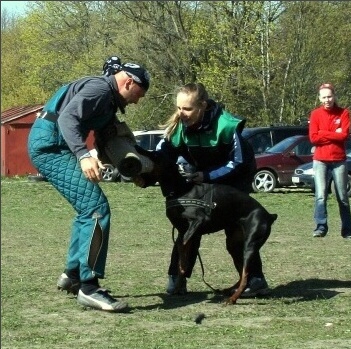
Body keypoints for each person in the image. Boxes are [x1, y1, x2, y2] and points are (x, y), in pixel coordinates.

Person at [27, 57, 151, 312]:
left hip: (54, 146)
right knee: (96, 209)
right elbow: (67, 119)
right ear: (128, 82)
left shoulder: (107, 99)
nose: (137, 101)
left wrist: (133, 170)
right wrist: (83, 156)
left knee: (87, 209)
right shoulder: (100, 90)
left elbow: (110, 143)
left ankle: (73, 274)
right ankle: (90, 287)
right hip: (51, 147)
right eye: (138, 94)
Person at [156, 82, 270, 297]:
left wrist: (207, 176)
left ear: (203, 106)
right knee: (190, 224)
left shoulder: (226, 125)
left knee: (237, 232)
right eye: (179, 108)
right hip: (203, 178)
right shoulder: (180, 125)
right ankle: (177, 278)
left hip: (235, 179)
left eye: (187, 109)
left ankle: (255, 281)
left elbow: (237, 162)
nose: (182, 114)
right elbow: (163, 152)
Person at [308, 83, 351, 239]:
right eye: (324, 97)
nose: (327, 100)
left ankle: (347, 231)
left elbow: (344, 136)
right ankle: (321, 227)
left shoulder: (343, 113)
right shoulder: (315, 114)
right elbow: (313, 137)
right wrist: (334, 133)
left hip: (339, 160)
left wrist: (323, 133)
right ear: (320, 98)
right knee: (320, 195)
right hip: (320, 160)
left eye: (329, 96)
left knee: (342, 196)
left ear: (334, 96)